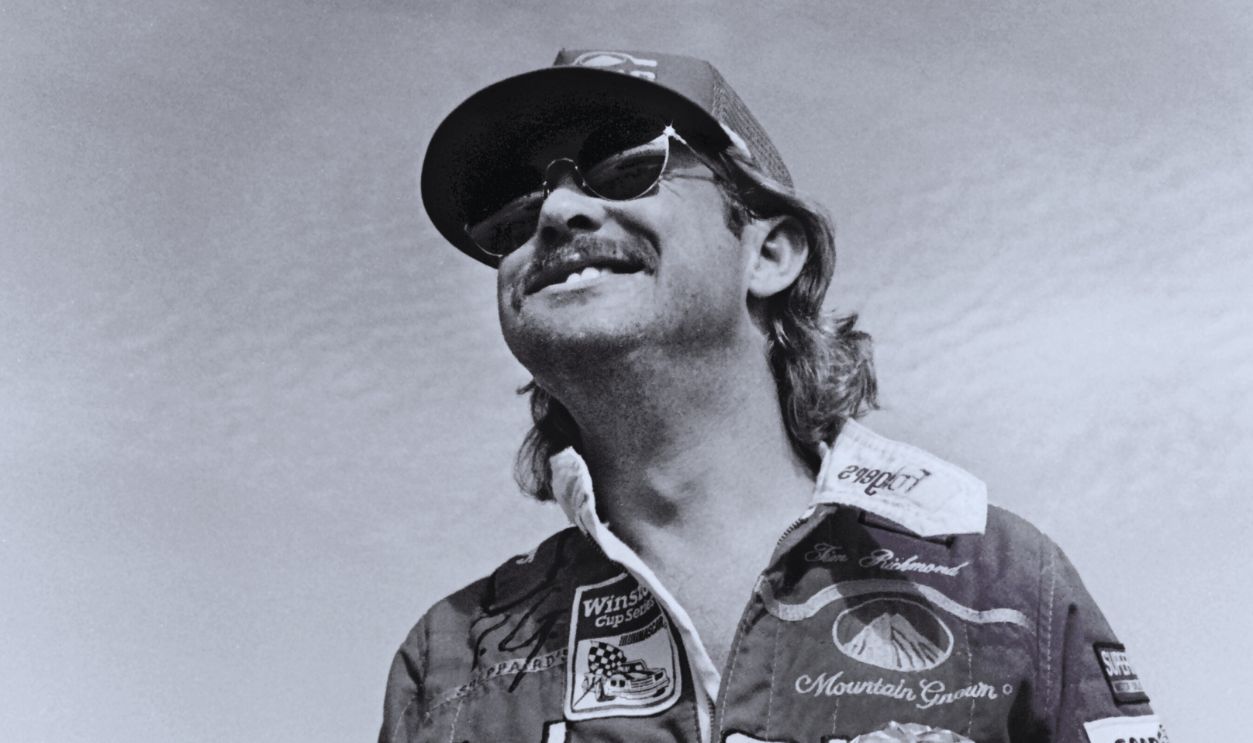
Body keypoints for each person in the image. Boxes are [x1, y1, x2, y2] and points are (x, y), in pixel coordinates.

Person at [381, 49, 1166, 743]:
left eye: (624, 165)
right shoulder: (449, 658)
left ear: (771, 253)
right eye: (510, 210)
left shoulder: (1003, 585)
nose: (555, 212)